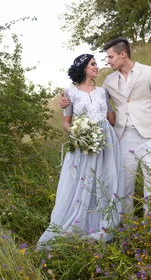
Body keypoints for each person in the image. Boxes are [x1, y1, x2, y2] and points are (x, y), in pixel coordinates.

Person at [60, 38, 151, 217]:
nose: (108, 61)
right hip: (122, 138)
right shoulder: (109, 82)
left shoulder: (150, 72)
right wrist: (67, 100)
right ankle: (126, 226)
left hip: (150, 136)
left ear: (123, 54)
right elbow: (91, 97)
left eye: (110, 57)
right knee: (124, 187)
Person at [37, 54, 124, 250]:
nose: (97, 67)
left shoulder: (103, 92)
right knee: (84, 183)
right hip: (84, 144)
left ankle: (105, 222)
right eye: (93, 64)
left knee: (106, 180)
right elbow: (67, 125)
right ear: (84, 68)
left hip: (107, 143)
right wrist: (81, 133)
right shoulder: (69, 93)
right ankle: (79, 225)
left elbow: (111, 119)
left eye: (96, 64)